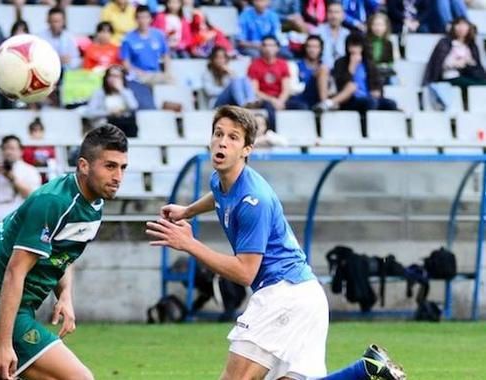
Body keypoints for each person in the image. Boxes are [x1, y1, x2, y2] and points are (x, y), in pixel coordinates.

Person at [145, 105, 406, 380]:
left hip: (283, 294)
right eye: (218, 134)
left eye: (233, 137)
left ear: (247, 149)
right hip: (305, 294)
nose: (222, 141)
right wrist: (187, 211)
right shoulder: (221, 179)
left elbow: (245, 272)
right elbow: (217, 195)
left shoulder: (253, 201)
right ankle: (365, 371)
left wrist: (189, 244)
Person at [0, 125, 129, 380]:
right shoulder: (54, 202)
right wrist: (4, 344)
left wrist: (65, 296)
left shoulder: (94, 206)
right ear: (84, 165)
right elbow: (15, 272)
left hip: (8, 310)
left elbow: (63, 255)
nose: (118, 176)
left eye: (123, 167)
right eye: (110, 166)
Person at [246, 36, 307, 130]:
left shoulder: (283, 64)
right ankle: (273, 132)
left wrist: (280, 101)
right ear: (261, 48)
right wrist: (273, 101)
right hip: (264, 99)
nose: (268, 48)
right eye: (265, 45)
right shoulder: (254, 65)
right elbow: (255, 91)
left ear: (277, 48)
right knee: (269, 108)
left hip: (281, 98)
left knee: (303, 106)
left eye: (271, 45)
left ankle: (303, 132)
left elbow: (286, 88)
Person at [328, 33, 397, 113]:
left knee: (391, 104)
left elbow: (377, 83)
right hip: (350, 100)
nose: (354, 49)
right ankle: (366, 125)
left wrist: (377, 91)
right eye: (352, 46)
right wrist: (351, 67)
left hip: (369, 97)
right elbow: (341, 84)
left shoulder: (369, 64)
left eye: (357, 46)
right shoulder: (340, 63)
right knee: (371, 102)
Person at [423, 17, 486, 91]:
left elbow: (476, 65)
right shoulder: (445, 43)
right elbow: (439, 64)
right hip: (450, 76)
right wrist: (457, 63)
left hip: (467, 75)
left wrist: (468, 62)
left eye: (464, 25)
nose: (461, 28)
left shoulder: (471, 46)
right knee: (474, 85)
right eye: (458, 25)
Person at [120, 5, 172, 85]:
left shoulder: (158, 35)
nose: (143, 20)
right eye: (140, 17)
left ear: (151, 19)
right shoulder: (128, 38)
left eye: (145, 17)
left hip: (156, 74)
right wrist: (141, 73)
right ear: (136, 19)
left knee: (171, 81)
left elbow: (166, 55)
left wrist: (167, 72)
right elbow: (126, 64)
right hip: (137, 76)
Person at [86, 65, 140, 137]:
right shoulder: (99, 93)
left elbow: (134, 106)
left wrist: (121, 90)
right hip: (105, 126)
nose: (113, 79)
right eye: (111, 76)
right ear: (106, 78)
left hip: (125, 125)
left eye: (117, 76)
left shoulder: (126, 92)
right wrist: (109, 112)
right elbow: (90, 113)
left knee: (131, 124)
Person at [293, 35, 331, 110]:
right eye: (309, 46)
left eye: (315, 47)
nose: (312, 50)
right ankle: (325, 104)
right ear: (305, 48)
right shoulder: (296, 65)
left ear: (321, 49)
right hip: (302, 97)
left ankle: (324, 104)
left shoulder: (325, 67)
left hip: (317, 96)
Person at [316, 1, 351, 68]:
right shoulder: (318, 32)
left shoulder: (347, 34)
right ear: (326, 14)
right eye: (330, 12)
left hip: (342, 71)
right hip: (322, 69)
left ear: (343, 15)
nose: (334, 16)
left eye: (337, 12)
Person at [366, 12, 396, 85]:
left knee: (394, 80)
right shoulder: (365, 41)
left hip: (383, 71)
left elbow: (390, 61)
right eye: (375, 25)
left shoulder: (388, 43)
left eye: (380, 25)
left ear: (386, 27)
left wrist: (386, 65)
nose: (377, 28)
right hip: (370, 70)